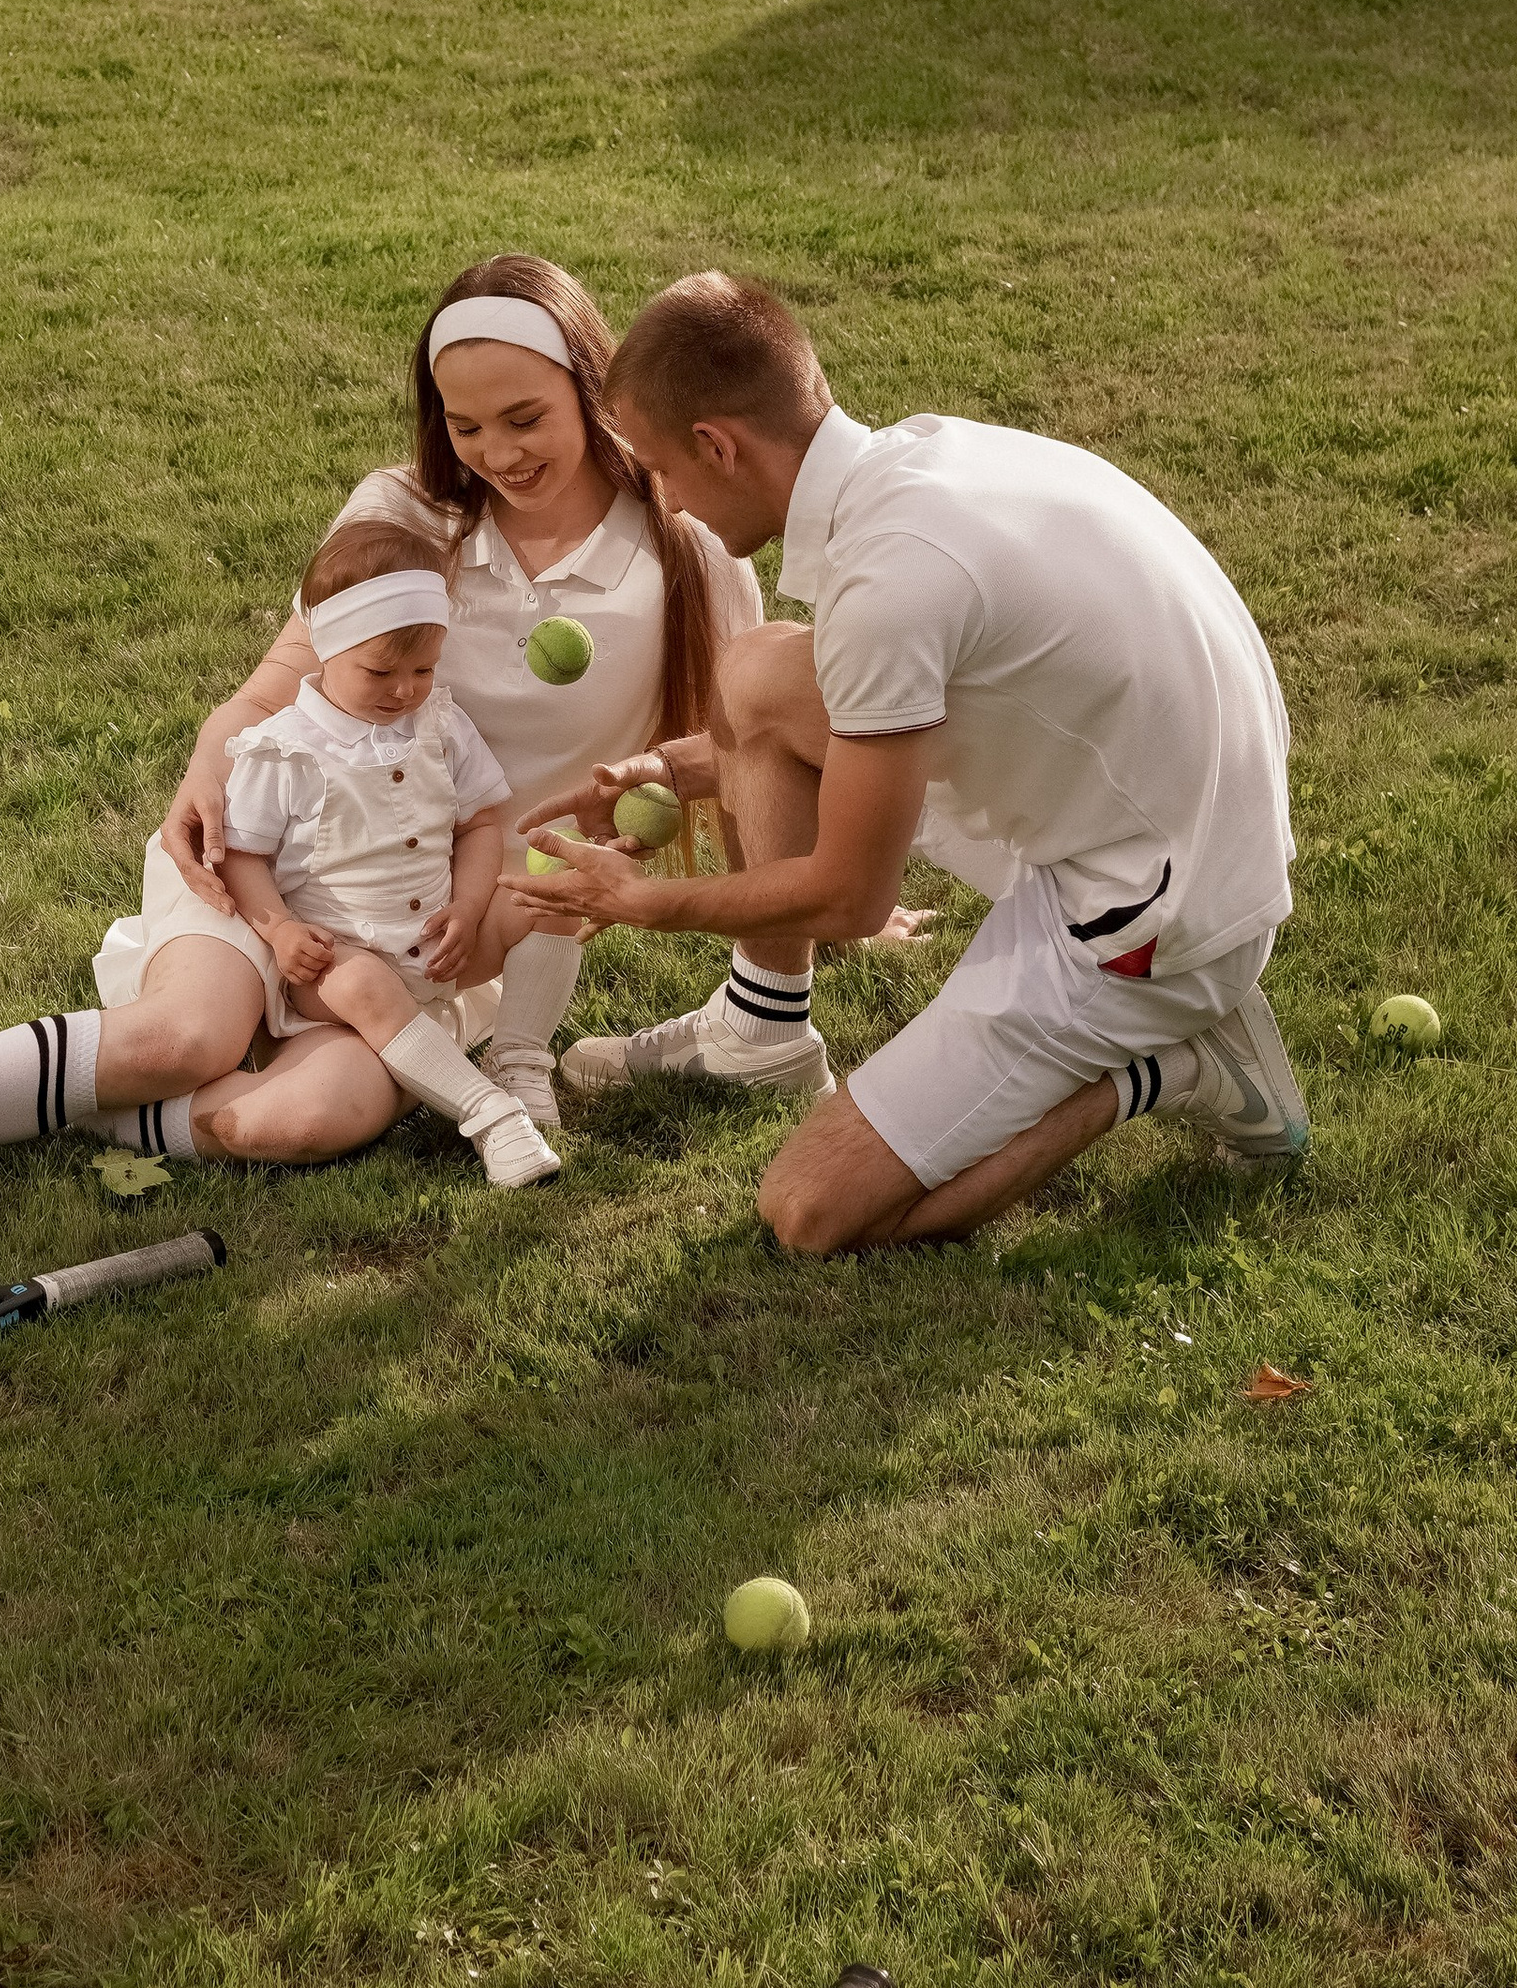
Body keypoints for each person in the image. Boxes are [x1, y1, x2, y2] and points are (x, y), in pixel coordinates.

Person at [0, 254, 761, 1240]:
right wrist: (208, 755)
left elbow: (736, 753)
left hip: (434, 928)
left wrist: (753, 881)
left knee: (310, 1117)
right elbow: (267, 696)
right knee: (181, 1042)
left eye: (526, 417)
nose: (497, 451)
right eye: (466, 423)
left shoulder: (689, 558)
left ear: (593, 393)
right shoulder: (402, 517)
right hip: (274, 854)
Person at [510, 272, 1306, 1253]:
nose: (664, 503)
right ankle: (759, 1031)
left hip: (1148, 923)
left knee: (809, 1211)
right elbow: (843, 715)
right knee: (757, 674)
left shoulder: (890, 583)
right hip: (1174, 813)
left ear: (719, 444)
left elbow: (847, 898)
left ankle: (1179, 1065)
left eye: (663, 472)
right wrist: (677, 773)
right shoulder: (923, 457)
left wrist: (646, 904)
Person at [213, 518, 553, 1191]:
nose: (404, 690)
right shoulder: (284, 748)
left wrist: (469, 905)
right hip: (333, 962)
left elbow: (482, 822)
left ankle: (520, 1060)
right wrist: (280, 930)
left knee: (548, 901)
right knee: (365, 983)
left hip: (437, 944)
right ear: (329, 650)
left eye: (423, 669)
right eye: (380, 671)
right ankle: (491, 1118)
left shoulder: (440, 724)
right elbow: (241, 856)